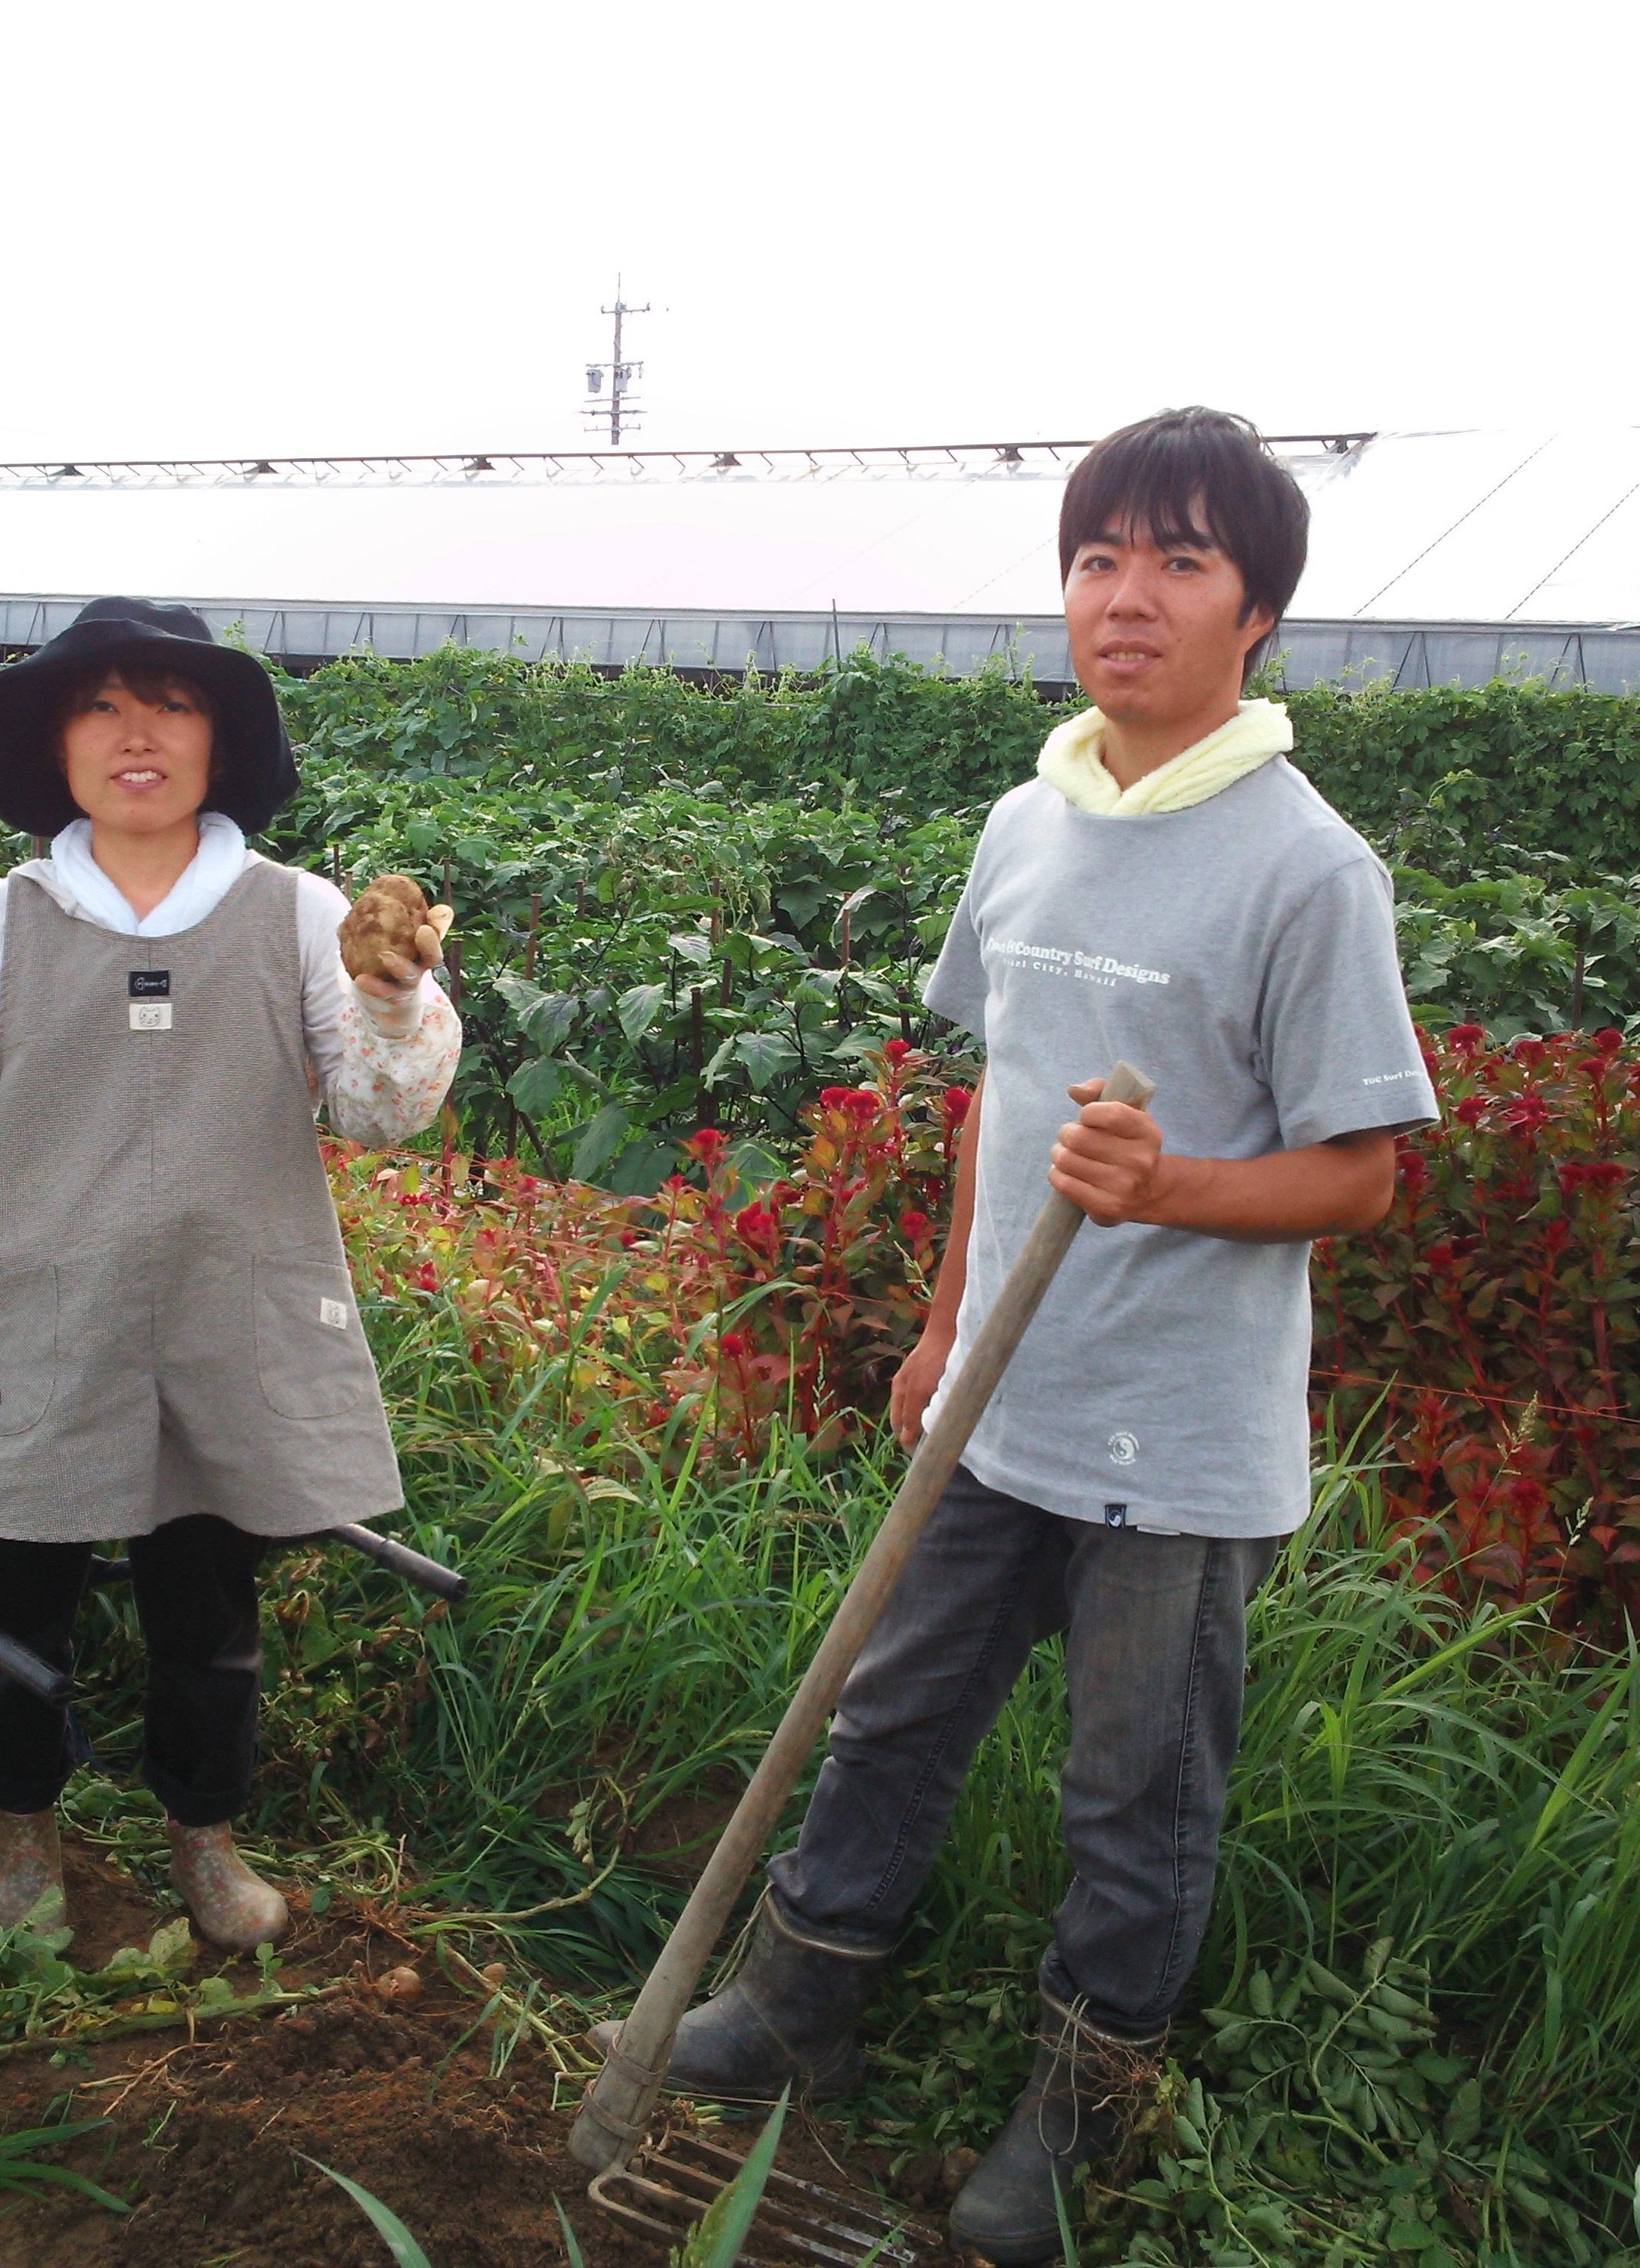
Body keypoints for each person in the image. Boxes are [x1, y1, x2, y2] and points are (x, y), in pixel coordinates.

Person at [606, 410, 1437, 2266]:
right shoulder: (1029, 817)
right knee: (890, 1712)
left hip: (1177, 1434)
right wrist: (937, 1319)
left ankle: (1075, 2107)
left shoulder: (1310, 869)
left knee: (1133, 1789)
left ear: (1260, 616)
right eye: (1096, 560)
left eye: (1178, 563)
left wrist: (1174, 1190)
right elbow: (1006, 1090)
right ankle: (797, 2005)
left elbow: (1364, 1175)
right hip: (998, 1389)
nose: (1125, 600)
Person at [0, 597, 460, 1950]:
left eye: (170, 705)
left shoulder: (298, 915)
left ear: (216, 743)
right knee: (13, 1609)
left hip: (228, 1322)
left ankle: (206, 1843)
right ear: (57, 747)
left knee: (208, 1615)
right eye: (101, 705)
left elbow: (378, 1111)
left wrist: (398, 997)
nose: (137, 734)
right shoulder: (1, 920)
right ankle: (18, 1844)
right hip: (41, 1318)